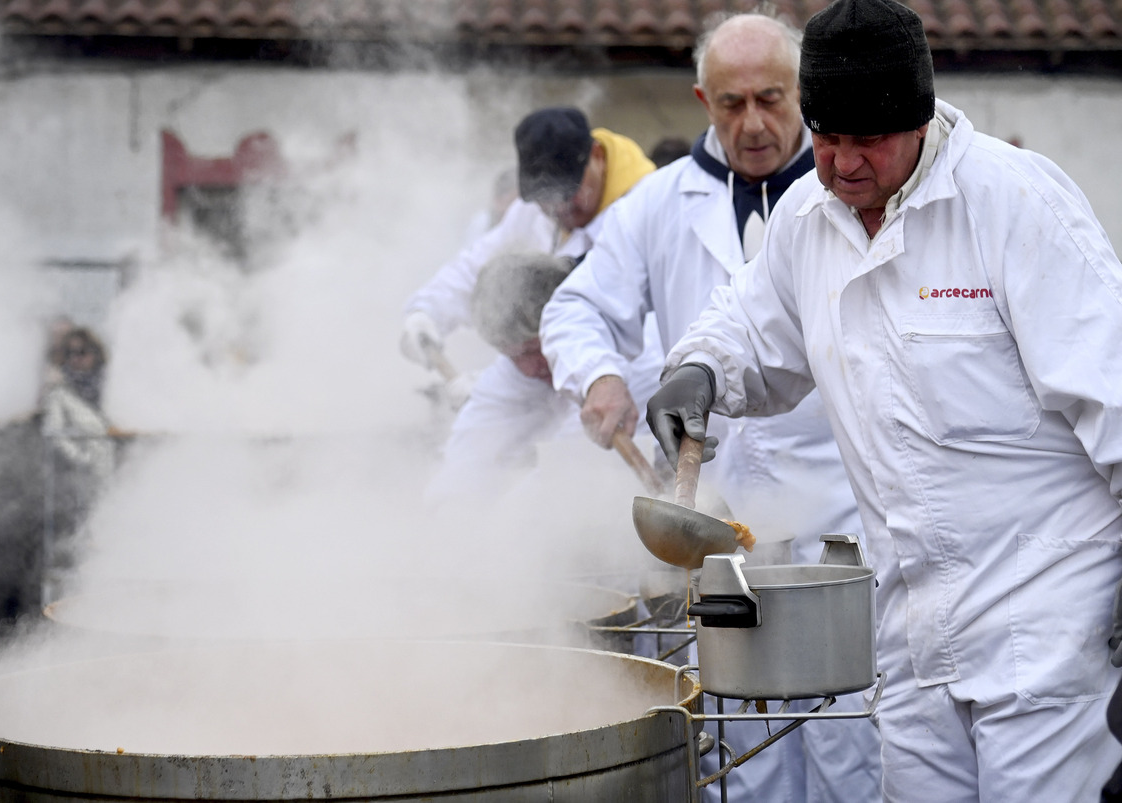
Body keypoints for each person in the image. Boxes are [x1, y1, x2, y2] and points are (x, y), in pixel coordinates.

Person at [646, 0, 1122, 800]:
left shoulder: (1012, 203)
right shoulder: (809, 217)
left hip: (1045, 617)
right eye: (827, 138)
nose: (841, 165)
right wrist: (699, 371)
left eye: (867, 141)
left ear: (921, 119)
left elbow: (1114, 396)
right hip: (910, 627)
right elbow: (750, 328)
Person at [539, 11, 881, 803]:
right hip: (720, 544)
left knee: (852, 747)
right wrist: (599, 377)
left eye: (772, 98)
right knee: (743, 754)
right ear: (703, 98)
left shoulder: (851, 194)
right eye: (731, 103)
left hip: (843, 528)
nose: (753, 122)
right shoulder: (660, 205)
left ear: (805, 94)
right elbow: (573, 307)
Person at [399, 107, 657, 411]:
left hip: (631, 396)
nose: (556, 207)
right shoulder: (535, 212)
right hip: (548, 389)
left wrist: (489, 390)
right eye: (544, 197)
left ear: (597, 156)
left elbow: (618, 343)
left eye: (567, 193)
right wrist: (427, 312)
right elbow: (476, 267)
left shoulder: (646, 210)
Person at [426, 251, 663, 502]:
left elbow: (567, 469)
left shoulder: (634, 358)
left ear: (565, 327)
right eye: (513, 356)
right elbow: (475, 438)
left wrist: (492, 531)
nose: (529, 368)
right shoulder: (519, 361)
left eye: (532, 350)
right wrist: (444, 503)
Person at [41, 325, 116, 600]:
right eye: (70, 353)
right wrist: (82, 458)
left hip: (108, 478)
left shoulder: (108, 390)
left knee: (107, 535)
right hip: (75, 484)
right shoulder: (60, 394)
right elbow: (55, 435)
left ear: (96, 354)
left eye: (83, 352)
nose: (76, 359)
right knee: (79, 541)